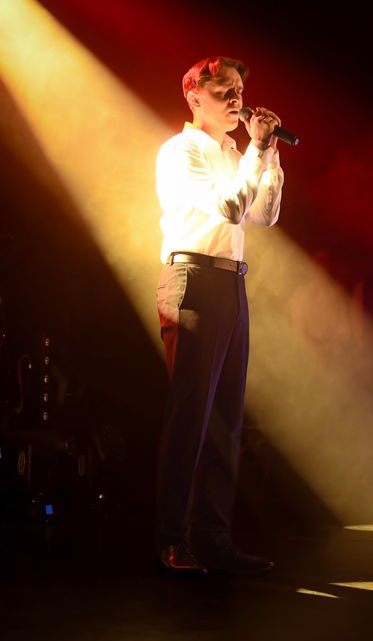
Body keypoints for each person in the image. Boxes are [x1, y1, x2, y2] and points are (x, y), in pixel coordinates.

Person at [155, 55, 284, 575]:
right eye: (224, 90)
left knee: (226, 420)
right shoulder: (181, 150)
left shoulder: (236, 153)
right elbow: (230, 208)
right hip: (192, 280)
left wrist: (268, 156)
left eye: (239, 91)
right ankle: (170, 542)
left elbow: (264, 214)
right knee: (192, 413)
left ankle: (211, 539)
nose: (237, 99)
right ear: (195, 97)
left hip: (231, 283)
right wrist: (256, 150)